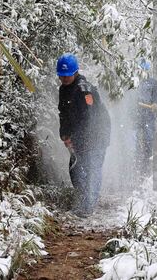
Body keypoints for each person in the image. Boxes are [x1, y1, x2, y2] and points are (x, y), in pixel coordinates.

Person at [57, 53, 111, 217]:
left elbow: (91, 118)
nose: (64, 79)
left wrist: (80, 139)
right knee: (75, 170)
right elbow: (64, 114)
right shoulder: (64, 90)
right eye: (61, 76)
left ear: (75, 72)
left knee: (91, 169)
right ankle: (83, 200)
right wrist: (65, 134)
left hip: (96, 135)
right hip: (78, 137)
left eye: (67, 75)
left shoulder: (84, 90)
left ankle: (87, 207)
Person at [135, 58, 157, 179]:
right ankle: (134, 165)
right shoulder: (134, 82)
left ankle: (146, 166)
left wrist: (155, 103)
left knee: (149, 140)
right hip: (135, 116)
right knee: (134, 142)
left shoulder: (153, 83)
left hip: (148, 116)